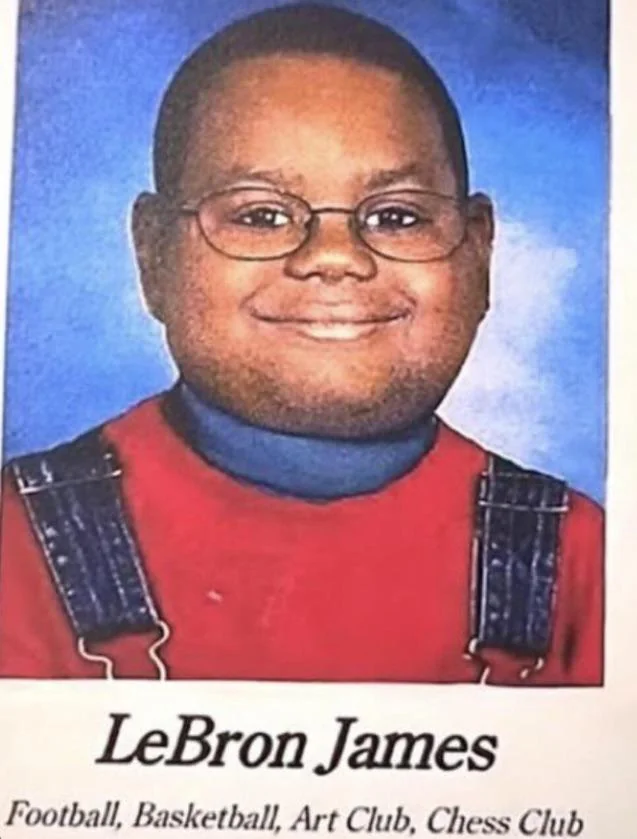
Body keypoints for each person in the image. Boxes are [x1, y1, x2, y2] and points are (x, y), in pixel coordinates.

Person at [0, 3, 602, 684]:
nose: (335, 258)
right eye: (261, 215)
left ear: (478, 251)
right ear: (152, 254)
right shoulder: (17, 547)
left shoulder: (586, 563)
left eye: (397, 216)